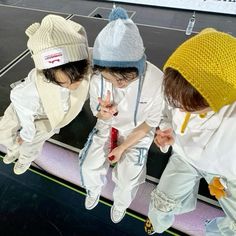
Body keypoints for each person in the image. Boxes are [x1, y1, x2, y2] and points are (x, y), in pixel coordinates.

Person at [145, 28, 236, 235]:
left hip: (227, 172)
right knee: (161, 203)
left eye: (190, 107)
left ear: (220, 98)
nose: (179, 109)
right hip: (185, 156)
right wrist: (167, 130)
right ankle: (157, 224)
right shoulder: (180, 89)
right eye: (175, 101)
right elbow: (168, 112)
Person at [79, 7, 164, 223]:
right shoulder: (97, 78)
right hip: (107, 126)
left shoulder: (155, 81)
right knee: (89, 166)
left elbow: (150, 123)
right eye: (112, 77)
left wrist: (123, 147)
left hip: (138, 131)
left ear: (139, 66)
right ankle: (93, 189)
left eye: (126, 76)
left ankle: (121, 204)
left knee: (127, 179)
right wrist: (104, 115)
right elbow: (97, 112)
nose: (120, 83)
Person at [0, 14, 90, 175]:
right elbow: (23, 108)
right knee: (5, 132)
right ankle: (13, 149)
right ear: (47, 76)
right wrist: (26, 134)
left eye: (77, 78)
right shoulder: (29, 91)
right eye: (63, 83)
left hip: (51, 115)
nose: (73, 86)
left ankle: (25, 159)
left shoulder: (85, 60)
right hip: (28, 107)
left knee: (33, 144)